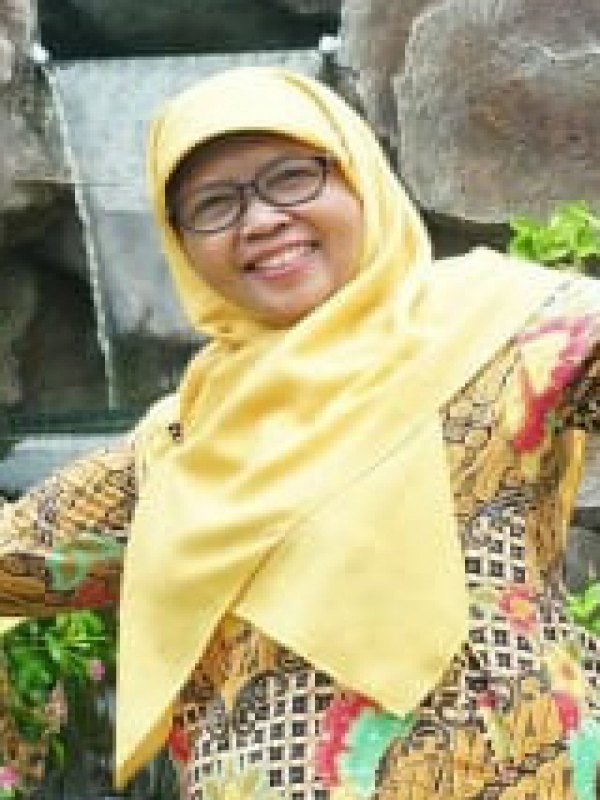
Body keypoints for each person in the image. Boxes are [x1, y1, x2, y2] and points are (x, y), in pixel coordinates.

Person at [1, 65, 600, 800]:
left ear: (357, 175)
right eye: (213, 206)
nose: (260, 221)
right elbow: (17, 557)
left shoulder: (516, 329)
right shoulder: (184, 443)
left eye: (291, 178)